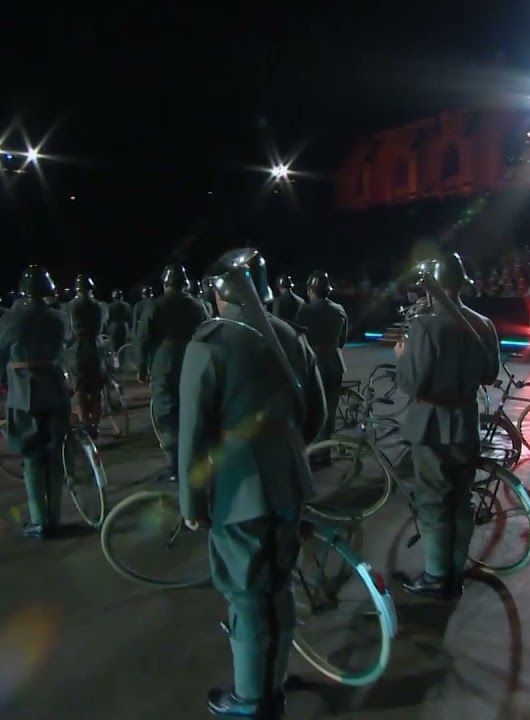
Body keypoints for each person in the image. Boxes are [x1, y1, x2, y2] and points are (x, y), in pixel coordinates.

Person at [177, 247, 325, 718]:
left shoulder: (210, 343)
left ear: (220, 293)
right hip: (290, 481)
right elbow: (317, 413)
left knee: (245, 593)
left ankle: (250, 698)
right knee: (279, 585)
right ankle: (273, 684)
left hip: (237, 489)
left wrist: (191, 502)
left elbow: (192, 435)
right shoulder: (290, 337)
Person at [393, 252, 498, 598]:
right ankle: (455, 572)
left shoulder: (426, 326)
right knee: (461, 501)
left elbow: (413, 383)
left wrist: (402, 357)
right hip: (466, 423)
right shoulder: (483, 324)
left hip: (432, 426)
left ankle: (436, 575)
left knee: (434, 502)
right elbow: (490, 374)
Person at [0, 266, 73, 539]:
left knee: (32, 457)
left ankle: (39, 521)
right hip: (55, 390)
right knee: (55, 455)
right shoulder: (59, 317)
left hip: (24, 394)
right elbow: (68, 343)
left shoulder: (12, 318)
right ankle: (55, 518)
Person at [138, 263, 209, 481]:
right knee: (193, 407)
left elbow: (143, 338)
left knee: (167, 411)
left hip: (165, 360)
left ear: (165, 283)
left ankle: (175, 466)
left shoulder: (156, 305)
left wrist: (141, 366)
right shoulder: (197, 305)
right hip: (193, 357)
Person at [295, 270, 348, 466]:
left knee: (313, 410)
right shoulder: (339, 309)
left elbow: (298, 339)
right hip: (334, 362)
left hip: (314, 363)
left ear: (310, 290)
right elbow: (343, 339)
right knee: (330, 412)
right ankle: (325, 453)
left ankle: (313, 452)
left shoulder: (304, 311)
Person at [67, 274, 107, 437]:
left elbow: (68, 330)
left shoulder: (70, 306)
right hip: (96, 347)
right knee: (96, 390)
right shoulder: (99, 306)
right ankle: (95, 424)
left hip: (77, 349)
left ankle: (85, 422)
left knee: (80, 389)